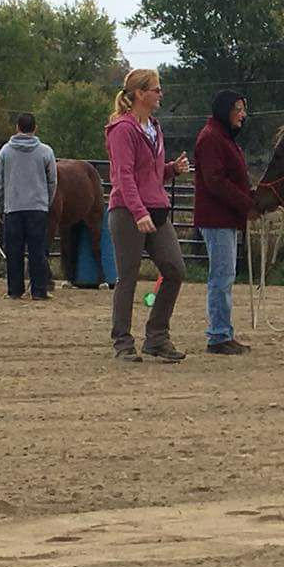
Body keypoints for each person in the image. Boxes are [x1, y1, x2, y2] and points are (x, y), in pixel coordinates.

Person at [105, 69, 190, 363]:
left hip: (156, 210)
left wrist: (170, 169)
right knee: (127, 276)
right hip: (128, 212)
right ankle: (122, 342)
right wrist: (138, 211)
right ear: (140, 94)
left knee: (175, 269)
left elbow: (148, 174)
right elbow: (123, 177)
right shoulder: (122, 130)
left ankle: (156, 336)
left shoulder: (154, 127)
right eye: (156, 89)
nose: (160, 94)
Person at [193, 89, 256, 355]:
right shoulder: (212, 139)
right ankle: (218, 335)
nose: (242, 114)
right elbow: (216, 181)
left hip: (225, 217)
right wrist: (247, 204)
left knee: (224, 275)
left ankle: (223, 332)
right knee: (222, 276)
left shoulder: (221, 138)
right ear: (225, 110)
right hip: (218, 218)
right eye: (238, 109)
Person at [0, 112, 57, 301]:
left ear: (17, 127)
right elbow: (52, 180)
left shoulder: (5, 151)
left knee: (14, 251)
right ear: (35, 128)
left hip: (13, 207)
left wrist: (1, 206)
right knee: (38, 251)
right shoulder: (46, 151)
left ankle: (15, 291)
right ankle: (39, 291)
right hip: (38, 208)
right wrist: (46, 201)